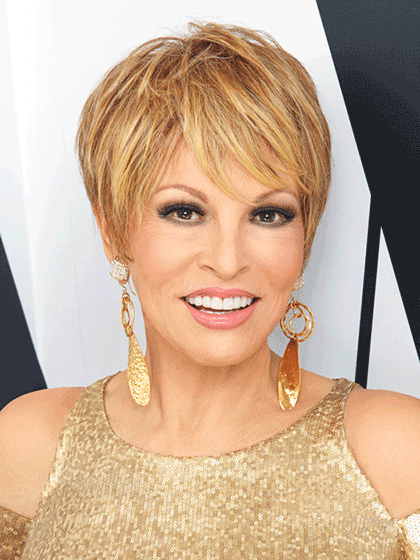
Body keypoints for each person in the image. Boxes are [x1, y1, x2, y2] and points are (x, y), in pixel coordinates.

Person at [1, 21, 419, 559]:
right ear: (113, 231)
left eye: (268, 215)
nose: (227, 260)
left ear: (306, 236)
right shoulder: (32, 445)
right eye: (185, 212)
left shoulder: (393, 450)